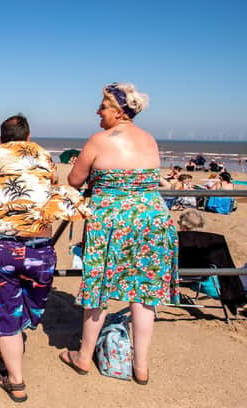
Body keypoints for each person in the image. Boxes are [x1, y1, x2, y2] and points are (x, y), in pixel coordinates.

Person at [0, 115, 89, 402]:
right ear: (28, 137)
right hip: (40, 247)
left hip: (1, 247)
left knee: (5, 314)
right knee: (30, 307)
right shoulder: (45, 156)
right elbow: (52, 184)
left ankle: (14, 377)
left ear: (1, 138)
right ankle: (4, 352)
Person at [61, 82, 179, 385]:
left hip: (112, 222)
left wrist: (81, 168)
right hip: (153, 220)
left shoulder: (100, 140)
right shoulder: (150, 140)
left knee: (98, 289)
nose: (97, 111)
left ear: (120, 111)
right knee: (144, 294)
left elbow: (74, 180)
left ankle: (84, 357)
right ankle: (141, 367)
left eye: (103, 105)